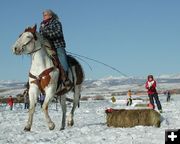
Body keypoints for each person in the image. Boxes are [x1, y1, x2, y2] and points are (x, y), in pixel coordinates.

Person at [39, 9, 68, 83]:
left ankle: (66, 75)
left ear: (50, 15)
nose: (43, 16)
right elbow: (40, 35)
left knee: (62, 56)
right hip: (46, 46)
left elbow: (58, 33)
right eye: (43, 15)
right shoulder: (42, 24)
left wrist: (46, 34)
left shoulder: (56, 23)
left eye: (45, 15)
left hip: (57, 45)